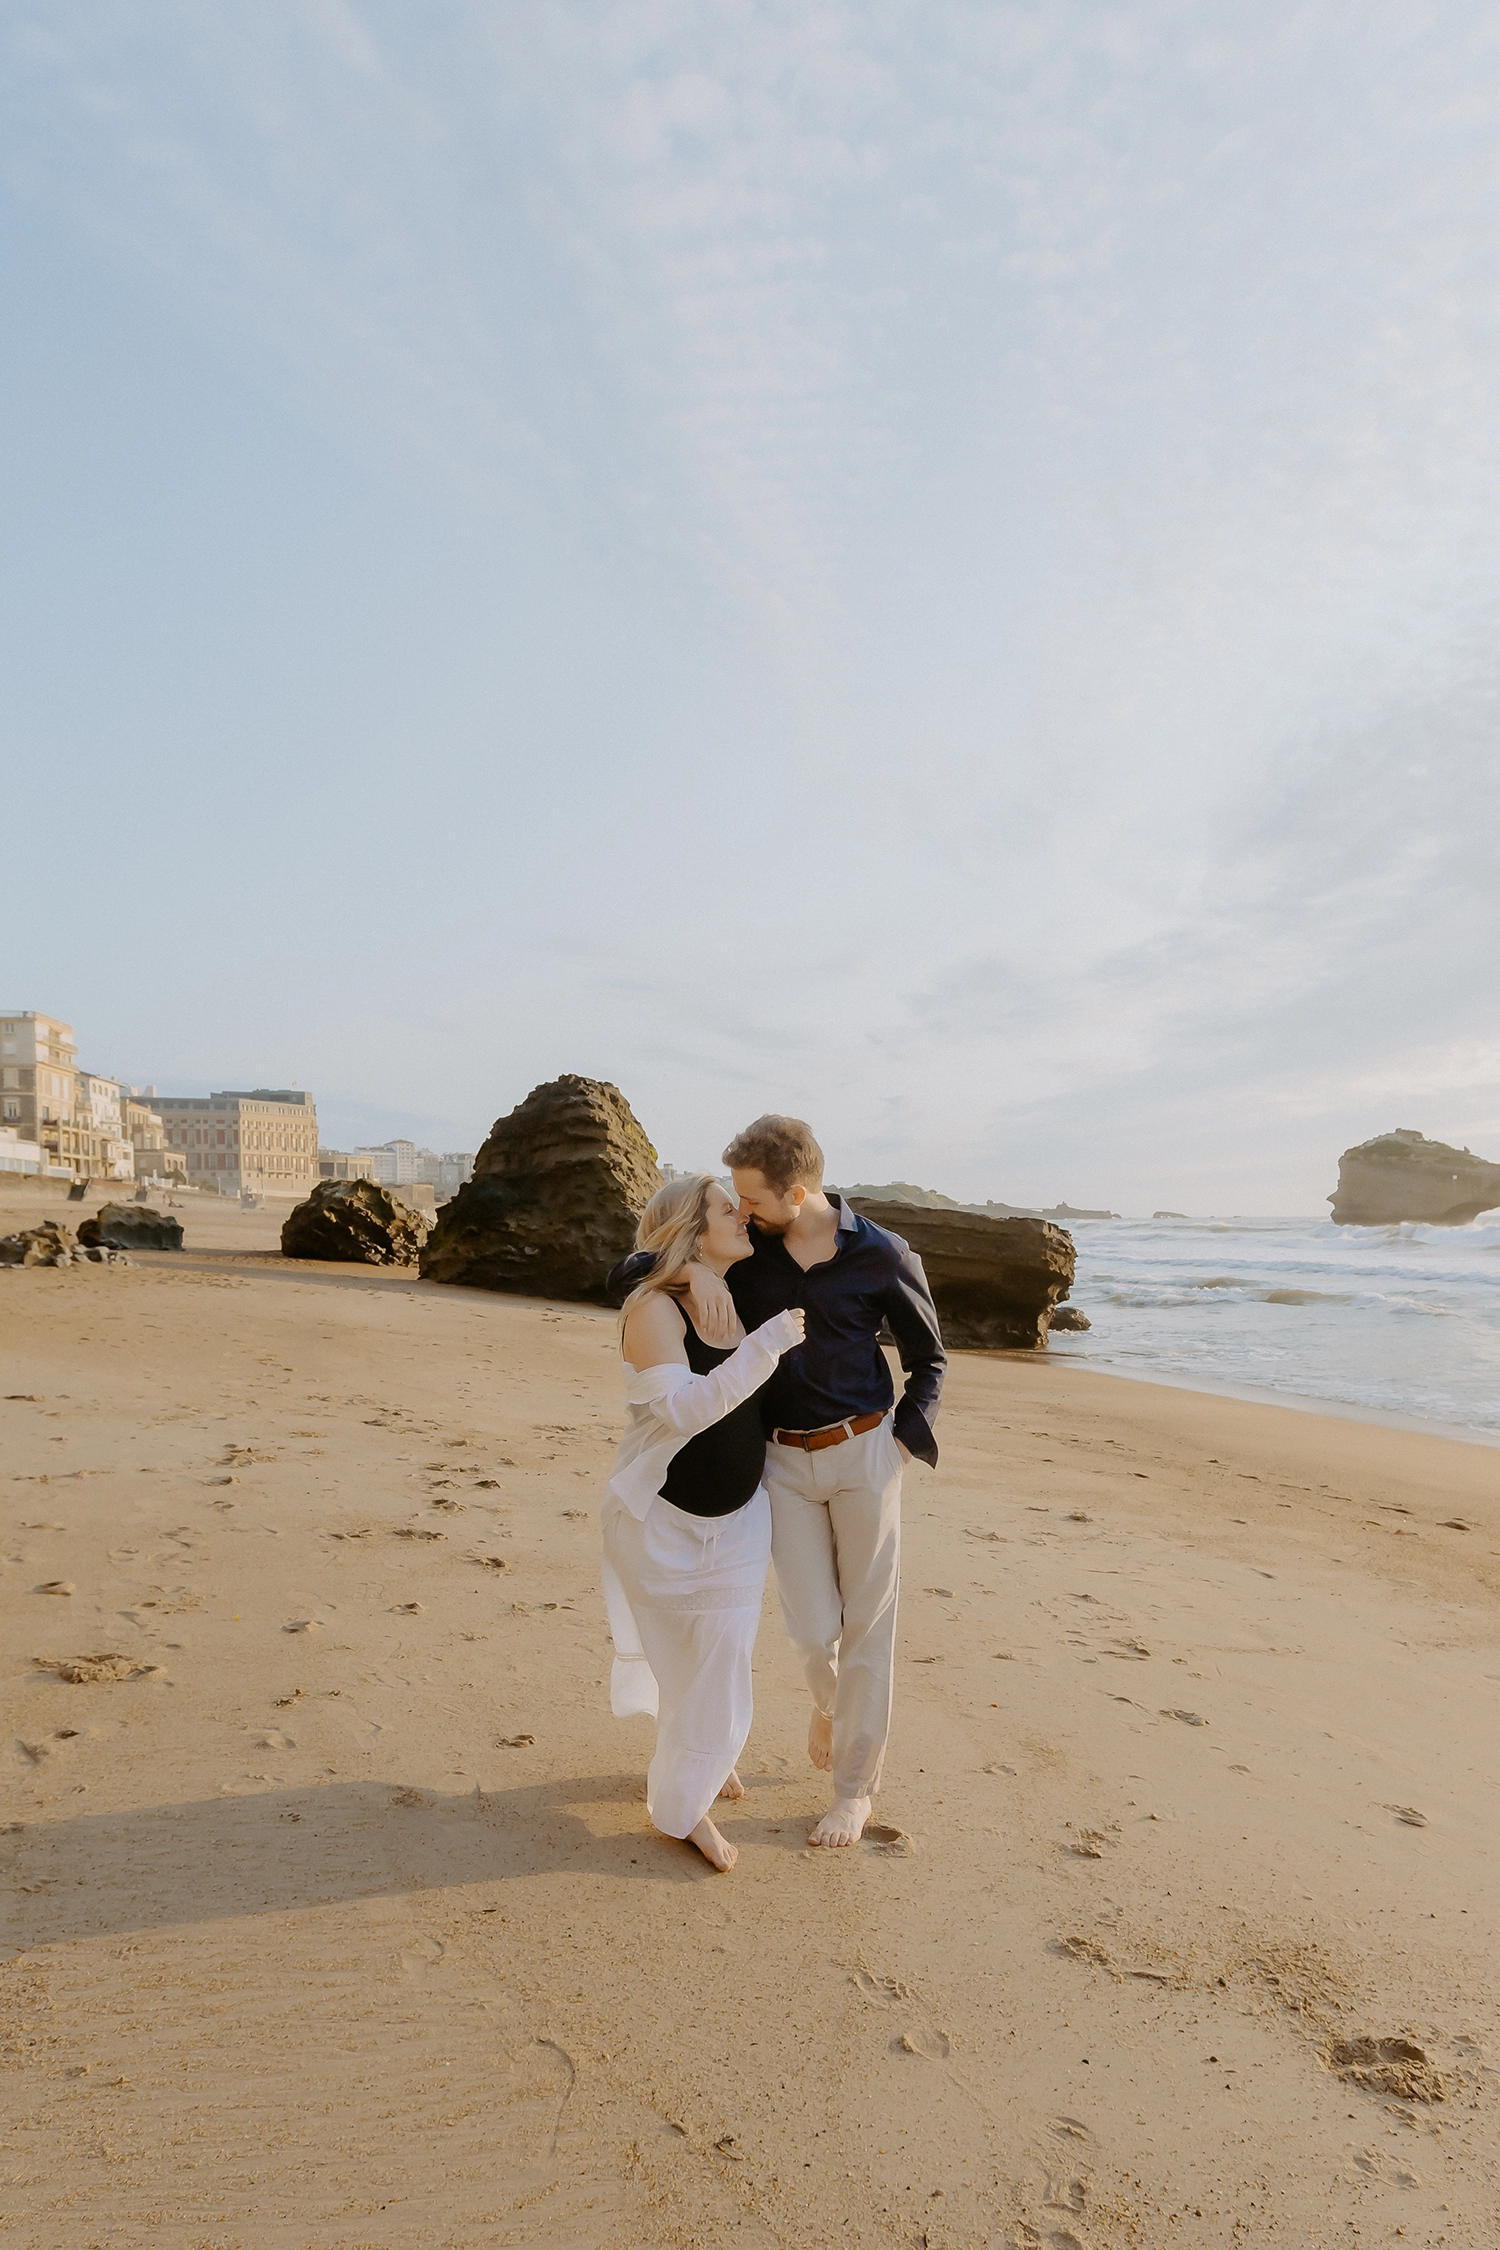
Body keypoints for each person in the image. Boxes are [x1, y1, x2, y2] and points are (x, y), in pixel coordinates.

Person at [612, 1116, 945, 1850]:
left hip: (866, 1454)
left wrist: (901, 1446)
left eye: (753, 1199)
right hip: (783, 1465)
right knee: (810, 1628)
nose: (744, 1210)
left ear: (797, 1192)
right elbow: (639, 1262)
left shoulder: (883, 1255)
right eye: (736, 1200)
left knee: (868, 1629)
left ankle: (854, 1792)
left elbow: (930, 1360)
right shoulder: (751, 1248)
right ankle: (830, 1706)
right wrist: (691, 1270)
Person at [601, 1173, 804, 1873]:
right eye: (727, 1210)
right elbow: (686, 1412)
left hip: (741, 1519)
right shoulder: (655, 1310)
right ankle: (686, 1804)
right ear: (693, 1227)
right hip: (664, 1523)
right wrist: (766, 1344)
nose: (744, 1218)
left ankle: (699, 1770)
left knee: (724, 1655)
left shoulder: (741, 1285)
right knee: (689, 1657)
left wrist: (702, 1270)